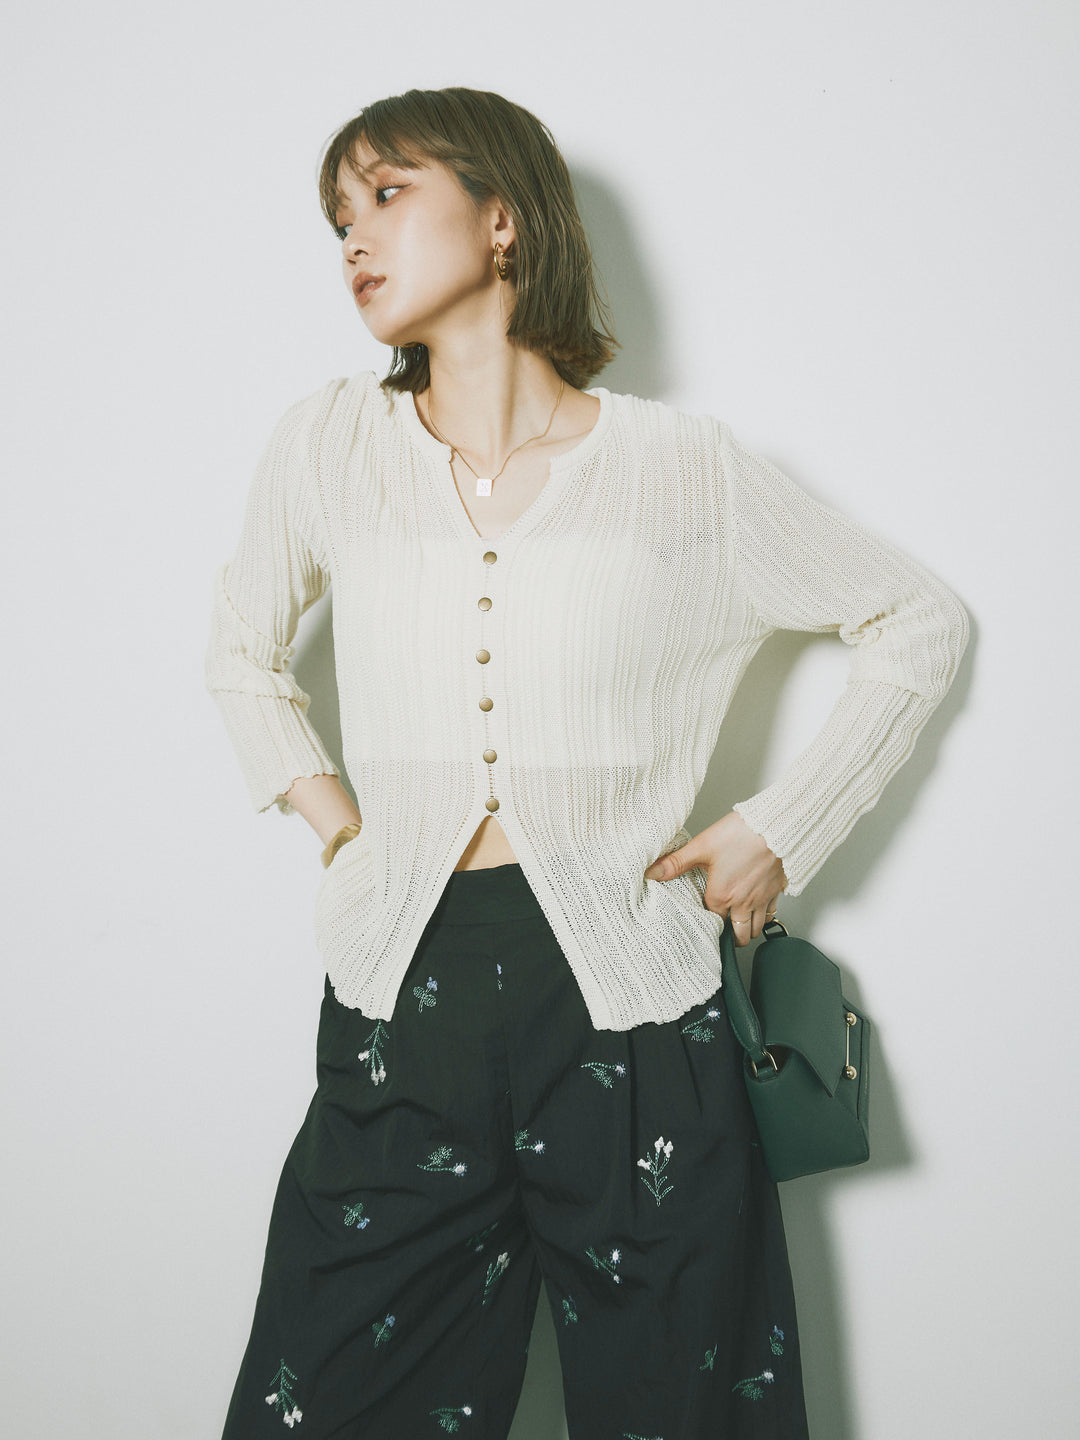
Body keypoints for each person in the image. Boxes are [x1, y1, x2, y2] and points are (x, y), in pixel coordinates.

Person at [205, 86, 968, 1440]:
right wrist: (346, 833)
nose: (353, 239)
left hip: (634, 1008)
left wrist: (782, 827)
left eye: (387, 195)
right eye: (338, 217)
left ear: (502, 220)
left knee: (684, 1409)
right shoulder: (330, 445)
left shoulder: (681, 471)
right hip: (403, 1004)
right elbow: (241, 657)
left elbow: (918, 619)